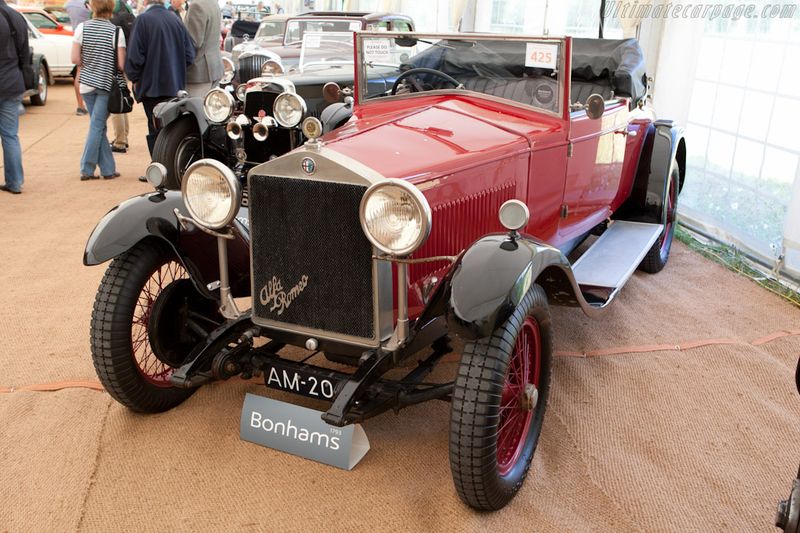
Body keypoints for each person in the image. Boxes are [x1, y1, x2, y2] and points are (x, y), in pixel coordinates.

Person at [125, 0, 194, 157]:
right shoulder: (175, 19)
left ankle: (158, 168)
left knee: (155, 127)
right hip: (174, 87)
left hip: (150, 86)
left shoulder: (142, 20)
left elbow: (134, 57)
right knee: (171, 129)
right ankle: (170, 167)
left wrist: (134, 78)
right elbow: (189, 55)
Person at [71, 0, 125, 181]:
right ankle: (86, 168)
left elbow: (75, 58)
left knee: (98, 126)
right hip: (105, 86)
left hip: (86, 85)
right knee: (97, 126)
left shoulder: (81, 28)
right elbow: (121, 64)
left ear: (92, 7)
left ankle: (108, 170)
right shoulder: (116, 32)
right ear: (111, 8)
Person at [0, 0, 28, 194]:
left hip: (9, 79)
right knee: (10, 135)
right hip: (12, 81)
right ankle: (15, 182)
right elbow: (25, 53)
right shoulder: (15, 16)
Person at [109, 0, 134, 153]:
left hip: (115, 64)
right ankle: (124, 136)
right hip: (127, 60)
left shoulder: (111, 15)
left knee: (115, 105)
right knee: (122, 99)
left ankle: (120, 141)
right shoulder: (127, 8)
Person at [184, 0, 222, 97]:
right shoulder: (212, 3)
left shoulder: (196, 5)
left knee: (194, 110)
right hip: (213, 67)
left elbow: (193, 42)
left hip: (199, 71)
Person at [65, 0, 91, 116]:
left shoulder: (69, 4)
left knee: (79, 71)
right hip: (94, 37)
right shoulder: (89, 4)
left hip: (78, 38)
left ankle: (80, 106)